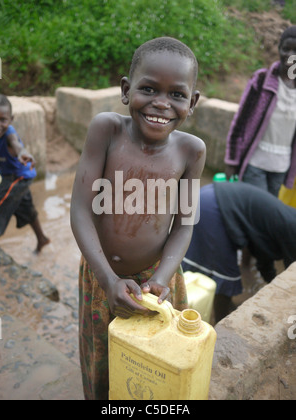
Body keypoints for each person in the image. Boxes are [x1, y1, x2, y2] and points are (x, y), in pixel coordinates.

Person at [70, 37, 206, 400]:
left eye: (177, 95)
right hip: (103, 278)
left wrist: (161, 280)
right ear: (126, 90)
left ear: (191, 103)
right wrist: (108, 278)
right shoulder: (107, 130)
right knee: (103, 361)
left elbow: (184, 223)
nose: (161, 103)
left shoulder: (191, 151)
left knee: (155, 367)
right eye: (148, 89)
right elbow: (82, 209)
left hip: (157, 284)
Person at [182, 181, 296, 323]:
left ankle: (222, 307)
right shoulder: (292, 229)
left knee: (216, 269)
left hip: (209, 196)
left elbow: (263, 256)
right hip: (215, 208)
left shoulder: (287, 219)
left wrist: (270, 281)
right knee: (225, 274)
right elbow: (291, 276)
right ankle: (222, 324)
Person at [225, 25, 296, 197]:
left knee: (268, 219)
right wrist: (231, 160)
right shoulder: (262, 80)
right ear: (279, 49)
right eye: (286, 49)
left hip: (280, 167)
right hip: (255, 164)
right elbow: (240, 120)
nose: (290, 55)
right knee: (254, 215)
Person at [0, 94, 50, 266]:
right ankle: (42, 238)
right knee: (26, 208)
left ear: (11, 119)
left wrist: (23, 154)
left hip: (17, 178)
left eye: (2, 120)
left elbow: (18, 146)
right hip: (18, 178)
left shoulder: (9, 135)